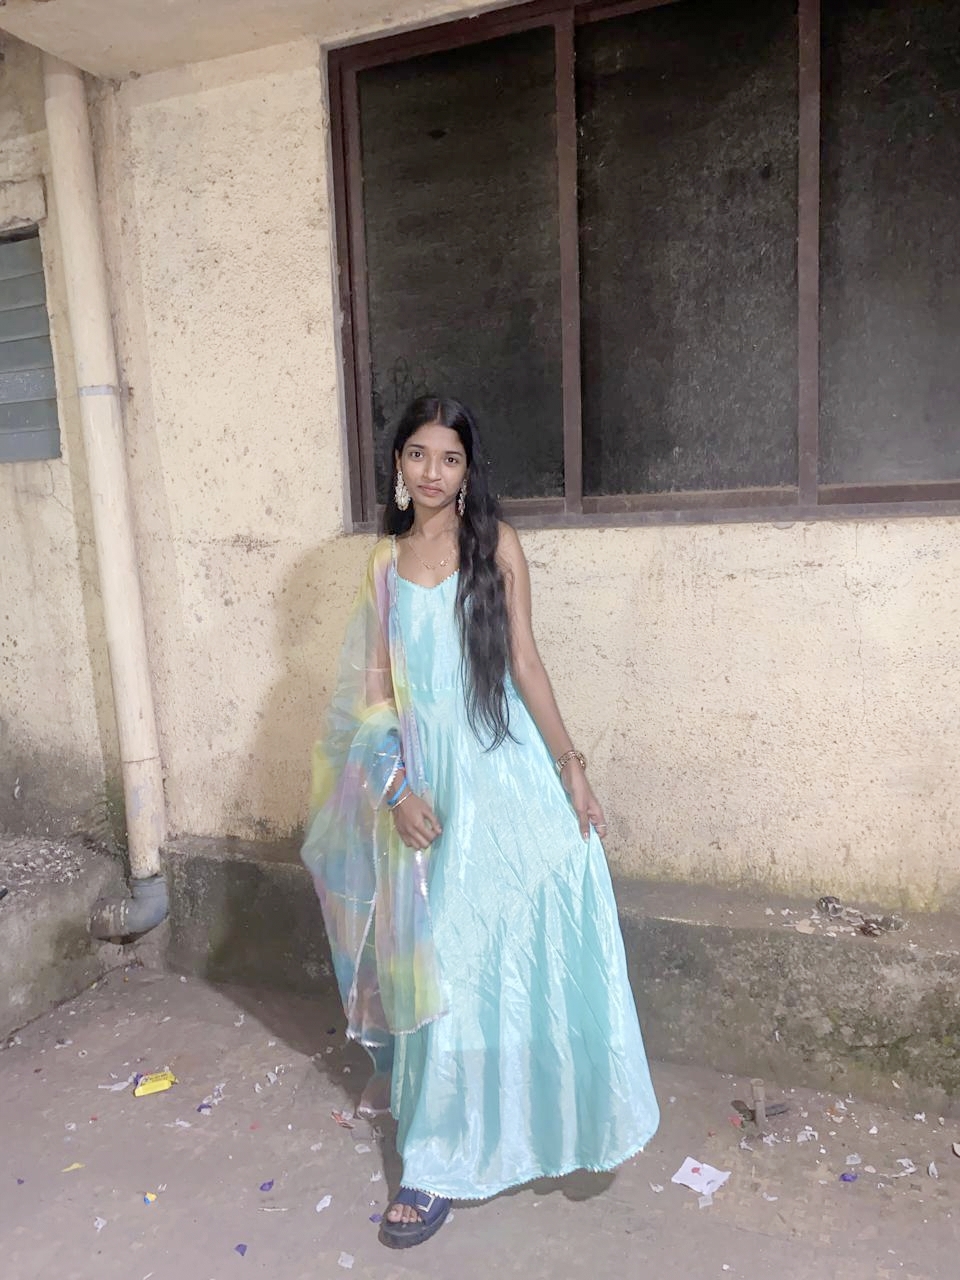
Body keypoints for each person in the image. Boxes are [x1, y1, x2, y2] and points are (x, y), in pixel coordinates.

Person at [301, 396, 659, 1249]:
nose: (432, 472)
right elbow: (373, 696)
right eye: (417, 455)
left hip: (504, 774)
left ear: (468, 469)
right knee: (439, 962)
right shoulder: (384, 564)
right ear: (397, 465)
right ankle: (433, 1159)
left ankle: (546, 1121)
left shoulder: (495, 545)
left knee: (523, 941)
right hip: (426, 788)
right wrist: (394, 791)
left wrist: (571, 769)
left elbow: (525, 662)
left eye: (449, 458)